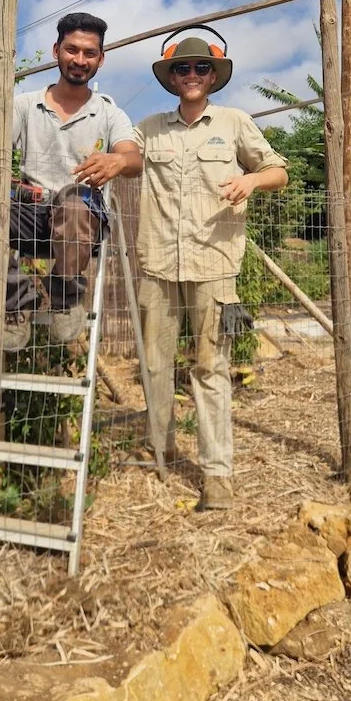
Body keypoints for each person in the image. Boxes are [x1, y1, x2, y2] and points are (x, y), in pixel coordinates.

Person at [0, 12, 141, 350]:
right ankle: (17, 301)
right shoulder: (25, 105)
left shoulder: (109, 113)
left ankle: (65, 297)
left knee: (74, 200)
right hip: (29, 213)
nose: (79, 60)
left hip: (79, 225)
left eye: (89, 53)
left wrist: (119, 159)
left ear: (101, 59)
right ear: (56, 51)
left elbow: (134, 158)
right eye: (72, 50)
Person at [134, 28, 288, 510]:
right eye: (183, 68)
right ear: (171, 76)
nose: (192, 75)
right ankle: (160, 447)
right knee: (155, 365)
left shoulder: (235, 122)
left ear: (214, 75)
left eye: (202, 68)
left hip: (214, 265)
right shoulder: (150, 128)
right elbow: (123, 157)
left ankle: (217, 475)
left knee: (210, 367)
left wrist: (251, 180)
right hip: (157, 262)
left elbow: (279, 171)